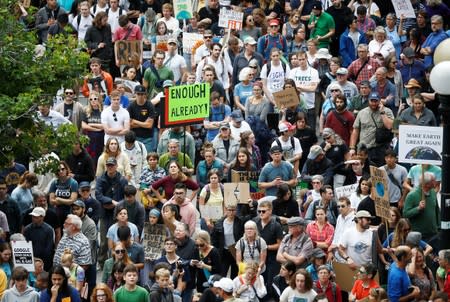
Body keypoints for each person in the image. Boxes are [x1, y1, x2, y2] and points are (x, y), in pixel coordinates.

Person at [349, 91, 394, 166]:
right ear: (368, 101)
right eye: (372, 101)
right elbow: (355, 130)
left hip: (380, 148)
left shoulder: (387, 111)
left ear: (379, 101)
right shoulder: (362, 113)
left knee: (379, 172)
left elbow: (389, 126)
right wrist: (352, 148)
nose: (373, 103)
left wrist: (382, 112)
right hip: (365, 148)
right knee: (365, 171)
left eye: (375, 101)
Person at [403, 171, 440, 242]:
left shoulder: (432, 192)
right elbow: (405, 214)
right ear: (427, 184)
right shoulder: (412, 195)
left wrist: (439, 227)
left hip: (433, 233)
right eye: (433, 180)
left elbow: (436, 210)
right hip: (419, 235)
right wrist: (418, 208)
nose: (436, 182)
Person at [288, 50, 320, 128]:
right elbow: (289, 88)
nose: (301, 61)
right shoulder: (293, 72)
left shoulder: (314, 71)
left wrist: (298, 87)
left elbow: (313, 88)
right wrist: (305, 88)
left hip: (310, 106)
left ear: (306, 59)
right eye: (299, 59)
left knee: (311, 129)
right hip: (296, 106)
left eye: (303, 59)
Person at [23, 207, 55, 275]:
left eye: (36, 217)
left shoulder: (49, 230)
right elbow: (25, 246)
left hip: (45, 262)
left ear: (42, 217)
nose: (33, 218)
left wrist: (41, 262)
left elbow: (49, 248)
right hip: (31, 260)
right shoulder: (27, 229)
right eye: (33, 216)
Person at [127, 85, 155, 153]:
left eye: (142, 94)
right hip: (135, 137)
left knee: (147, 158)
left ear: (145, 94)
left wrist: (135, 121)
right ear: (135, 94)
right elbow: (129, 124)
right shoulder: (131, 106)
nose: (140, 96)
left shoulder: (149, 105)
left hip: (147, 138)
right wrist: (144, 123)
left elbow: (149, 125)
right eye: (138, 94)